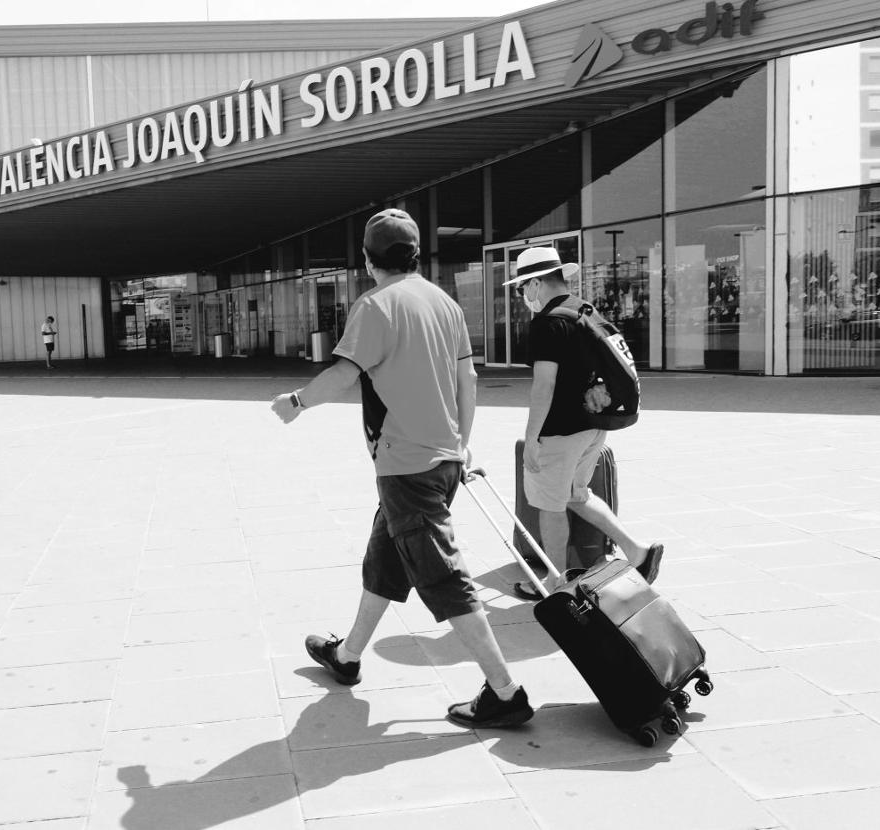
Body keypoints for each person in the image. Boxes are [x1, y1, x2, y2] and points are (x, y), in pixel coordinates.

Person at [269, 208, 532, 729]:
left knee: (445, 578)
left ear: (369, 261)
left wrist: (297, 402)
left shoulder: (375, 307)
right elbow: (469, 382)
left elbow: (344, 373)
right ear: (415, 254)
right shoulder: (445, 304)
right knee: (385, 560)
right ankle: (346, 658)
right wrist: (463, 444)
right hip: (442, 460)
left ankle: (506, 692)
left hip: (406, 467)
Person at [505, 246, 665, 601]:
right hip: (594, 426)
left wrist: (531, 439)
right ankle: (637, 550)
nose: (522, 296)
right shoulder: (583, 312)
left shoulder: (548, 323)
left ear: (535, 284)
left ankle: (554, 583)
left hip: (561, 430)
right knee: (577, 495)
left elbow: (544, 385)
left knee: (550, 504)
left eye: (521, 288)